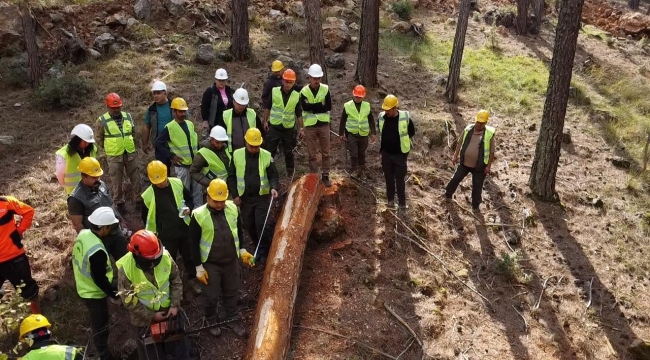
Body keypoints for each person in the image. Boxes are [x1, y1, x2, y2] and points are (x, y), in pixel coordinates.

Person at [189, 179, 252, 337]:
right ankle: (211, 318)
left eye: (222, 201)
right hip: (211, 263)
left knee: (231, 291)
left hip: (230, 260)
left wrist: (242, 250)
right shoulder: (198, 215)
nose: (219, 204)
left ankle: (231, 317)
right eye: (215, 201)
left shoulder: (232, 208)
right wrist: (198, 267)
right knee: (211, 295)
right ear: (208, 197)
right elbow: (192, 243)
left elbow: (238, 231)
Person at [116, 230, 189, 360]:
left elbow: (176, 280)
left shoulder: (165, 257)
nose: (156, 261)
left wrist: (175, 305)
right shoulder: (126, 269)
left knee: (180, 351)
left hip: (170, 312)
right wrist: (151, 315)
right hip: (144, 320)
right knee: (151, 355)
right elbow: (128, 300)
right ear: (137, 255)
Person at [141, 160, 201, 295]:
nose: (160, 184)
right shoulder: (147, 195)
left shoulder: (177, 183)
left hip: (183, 228)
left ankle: (193, 278)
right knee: (168, 260)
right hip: (166, 234)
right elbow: (145, 218)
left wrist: (189, 208)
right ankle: (173, 286)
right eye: (157, 182)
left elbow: (189, 198)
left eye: (162, 180)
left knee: (189, 255)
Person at [72, 207, 122, 360]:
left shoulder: (84, 233)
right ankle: (103, 354)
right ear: (104, 227)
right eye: (110, 227)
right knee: (100, 324)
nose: (111, 229)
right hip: (93, 293)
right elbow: (99, 279)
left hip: (82, 284)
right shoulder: (97, 251)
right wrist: (114, 294)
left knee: (99, 321)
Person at [227, 128, 279, 265]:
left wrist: (273, 187)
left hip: (261, 198)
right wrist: (235, 195)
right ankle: (257, 246)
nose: (255, 149)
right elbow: (231, 176)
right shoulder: (237, 155)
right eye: (252, 146)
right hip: (245, 199)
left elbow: (273, 174)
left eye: (257, 146)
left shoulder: (266, 155)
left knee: (261, 225)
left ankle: (264, 252)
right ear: (246, 142)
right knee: (249, 225)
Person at [68, 157, 128, 260]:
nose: (98, 180)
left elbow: (111, 205)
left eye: (98, 176)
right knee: (103, 267)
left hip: (115, 231)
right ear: (84, 176)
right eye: (93, 177)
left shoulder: (101, 185)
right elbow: (78, 225)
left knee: (126, 260)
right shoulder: (76, 198)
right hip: (98, 238)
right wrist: (89, 243)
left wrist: (121, 221)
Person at [95, 93, 142, 214]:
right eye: (113, 107)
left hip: (130, 153)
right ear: (107, 106)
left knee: (136, 178)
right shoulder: (102, 121)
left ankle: (139, 201)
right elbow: (99, 138)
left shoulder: (128, 116)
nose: (116, 109)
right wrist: (109, 149)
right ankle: (119, 203)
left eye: (118, 107)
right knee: (116, 181)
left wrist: (133, 146)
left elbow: (133, 133)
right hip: (114, 156)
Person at [155, 97, 203, 208]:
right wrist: (171, 156)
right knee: (182, 192)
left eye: (184, 111)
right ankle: (184, 215)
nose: (183, 114)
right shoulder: (170, 128)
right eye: (180, 111)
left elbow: (195, 143)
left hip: (195, 165)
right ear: (174, 112)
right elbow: (158, 143)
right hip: (183, 166)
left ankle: (198, 214)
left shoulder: (190, 124)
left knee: (198, 192)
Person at [445, 109, 496, 212]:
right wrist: (455, 156)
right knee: (456, 178)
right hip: (464, 163)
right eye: (478, 122)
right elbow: (459, 143)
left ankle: (475, 206)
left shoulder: (489, 134)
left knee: (477, 187)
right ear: (475, 120)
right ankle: (448, 194)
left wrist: (488, 166)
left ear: (485, 123)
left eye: (482, 123)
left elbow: (491, 152)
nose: (479, 125)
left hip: (480, 166)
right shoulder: (468, 129)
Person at [0, 196, 39, 314]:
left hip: (14, 257)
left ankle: (39, 322)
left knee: (30, 291)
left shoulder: (6, 202)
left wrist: (19, 231)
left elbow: (28, 211)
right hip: (15, 258)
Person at [263, 69, 304, 175]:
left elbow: (298, 112)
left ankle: (290, 172)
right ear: (282, 80)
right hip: (275, 126)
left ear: (294, 82)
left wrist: (301, 128)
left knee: (289, 152)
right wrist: (265, 121)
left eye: (290, 82)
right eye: (286, 81)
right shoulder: (274, 91)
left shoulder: (296, 95)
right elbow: (268, 107)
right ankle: (267, 170)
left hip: (288, 128)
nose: (288, 84)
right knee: (269, 150)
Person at [378, 95, 415, 209]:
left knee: (399, 180)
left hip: (400, 154)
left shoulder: (405, 117)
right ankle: (390, 200)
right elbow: (380, 131)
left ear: (395, 107)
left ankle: (402, 203)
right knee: (388, 178)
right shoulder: (381, 117)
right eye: (385, 109)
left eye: (388, 109)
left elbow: (411, 132)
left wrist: (403, 151)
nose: (386, 111)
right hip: (386, 154)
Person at [300, 64, 332, 187]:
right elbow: (305, 107)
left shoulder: (325, 89)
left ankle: (325, 175)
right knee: (312, 154)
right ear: (309, 77)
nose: (316, 81)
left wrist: (313, 106)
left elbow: (328, 106)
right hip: (310, 126)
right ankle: (313, 175)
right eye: (314, 78)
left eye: (318, 78)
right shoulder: (304, 91)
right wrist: (320, 106)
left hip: (324, 124)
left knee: (326, 152)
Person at [338, 85, 377, 178]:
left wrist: (373, 133)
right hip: (352, 133)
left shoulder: (367, 106)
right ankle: (354, 170)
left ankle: (362, 168)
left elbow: (371, 120)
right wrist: (341, 133)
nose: (358, 98)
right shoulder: (347, 106)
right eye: (356, 96)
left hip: (363, 134)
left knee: (361, 152)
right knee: (353, 153)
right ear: (353, 95)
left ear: (363, 97)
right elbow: (343, 120)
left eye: (360, 97)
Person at [55, 124, 97, 195]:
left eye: (88, 142)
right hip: (74, 193)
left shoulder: (92, 149)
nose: (87, 144)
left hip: (91, 189)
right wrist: (65, 186)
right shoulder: (64, 154)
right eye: (84, 141)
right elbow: (60, 175)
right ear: (77, 140)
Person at [223, 88, 264, 153]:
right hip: (233, 153)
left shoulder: (252, 114)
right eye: (239, 104)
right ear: (234, 102)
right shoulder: (226, 115)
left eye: (243, 104)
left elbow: (261, 133)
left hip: (250, 151)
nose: (241, 106)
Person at [143, 81, 173, 156]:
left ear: (165, 93)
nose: (156, 96)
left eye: (158, 93)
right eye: (154, 93)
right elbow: (146, 127)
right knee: (162, 167)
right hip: (160, 145)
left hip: (176, 143)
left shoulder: (174, 105)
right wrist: (145, 144)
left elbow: (186, 121)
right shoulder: (151, 109)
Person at [201, 68, 234, 132]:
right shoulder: (210, 91)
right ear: (215, 80)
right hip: (215, 122)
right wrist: (205, 121)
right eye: (219, 80)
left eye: (223, 80)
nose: (221, 82)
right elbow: (204, 107)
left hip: (229, 122)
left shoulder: (230, 91)